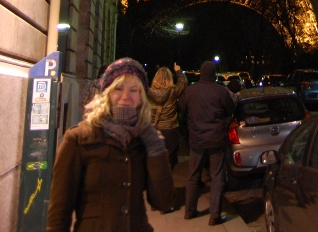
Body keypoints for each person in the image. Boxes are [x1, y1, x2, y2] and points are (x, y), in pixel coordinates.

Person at [46, 57, 173, 232]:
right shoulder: (78, 139)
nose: (125, 96)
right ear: (107, 93)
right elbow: (59, 213)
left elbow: (163, 201)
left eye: (133, 90)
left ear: (141, 97)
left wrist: (155, 148)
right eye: (118, 88)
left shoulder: (144, 139)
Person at [178, 60, 235, 226]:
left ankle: (189, 211)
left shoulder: (190, 91)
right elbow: (230, 110)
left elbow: (182, 109)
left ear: (201, 73)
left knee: (193, 175)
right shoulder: (220, 91)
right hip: (216, 139)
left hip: (197, 139)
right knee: (217, 176)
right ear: (214, 74)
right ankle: (214, 215)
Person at [148, 62, 187, 168]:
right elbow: (183, 84)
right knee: (170, 160)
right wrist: (178, 71)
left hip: (154, 130)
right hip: (170, 129)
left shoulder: (149, 93)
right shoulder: (173, 91)